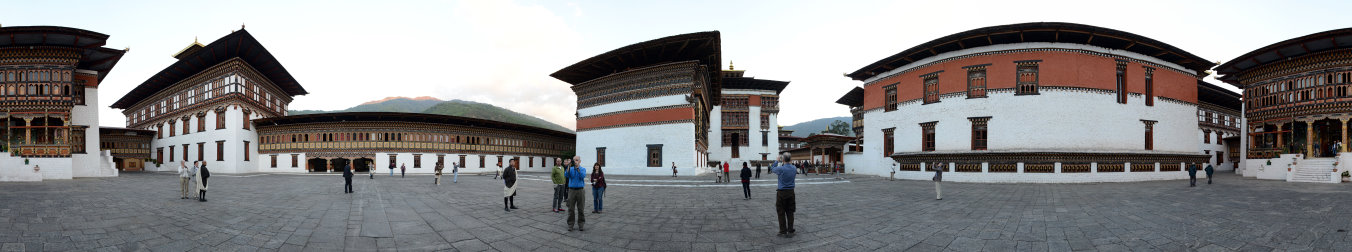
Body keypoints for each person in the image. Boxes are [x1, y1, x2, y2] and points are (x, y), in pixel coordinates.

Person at [771, 153, 797, 237]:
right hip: (791, 192)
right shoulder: (794, 168)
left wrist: (776, 160)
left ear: (783, 160)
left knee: (781, 212)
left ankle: (783, 230)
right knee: (790, 211)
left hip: (781, 192)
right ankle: (790, 229)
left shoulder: (781, 169)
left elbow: (772, 168)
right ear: (790, 159)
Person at [564, 156, 588, 231]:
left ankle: (581, 224)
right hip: (572, 190)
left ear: (580, 161)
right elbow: (566, 175)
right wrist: (568, 166)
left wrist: (577, 168)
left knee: (581, 208)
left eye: (577, 160)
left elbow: (582, 176)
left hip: (580, 190)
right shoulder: (570, 169)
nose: (575, 161)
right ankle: (570, 224)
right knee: (571, 208)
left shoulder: (583, 169)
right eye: (574, 160)